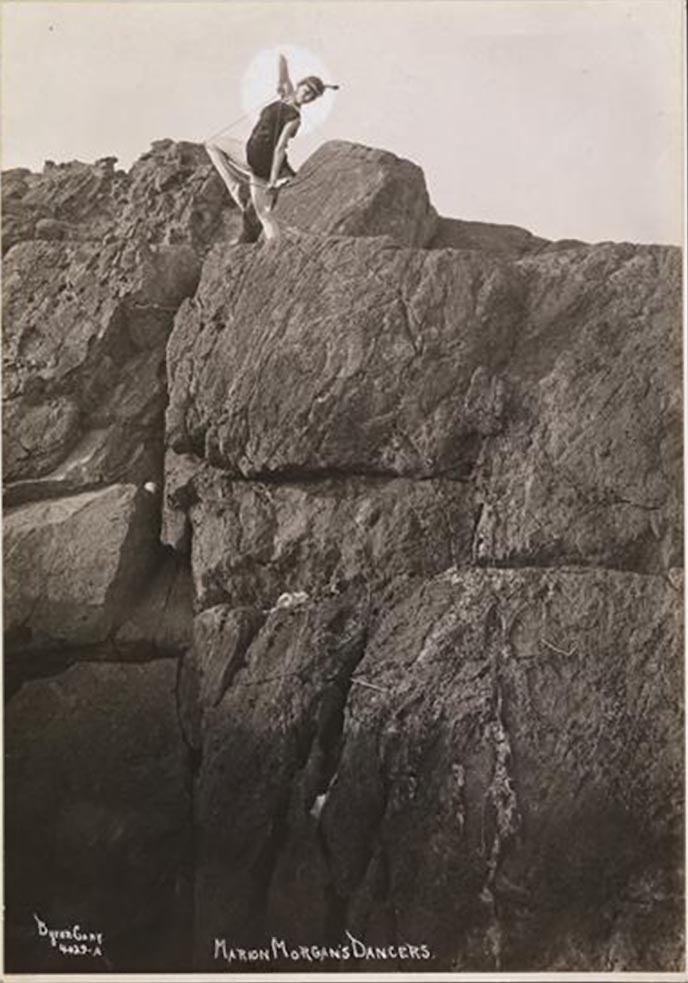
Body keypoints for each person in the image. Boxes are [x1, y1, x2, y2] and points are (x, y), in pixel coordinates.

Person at [205, 57, 336, 243]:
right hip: (256, 161)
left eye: (310, 97)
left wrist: (274, 179)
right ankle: (273, 245)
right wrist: (282, 60)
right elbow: (283, 75)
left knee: (212, 144)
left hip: (259, 159)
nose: (305, 98)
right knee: (265, 216)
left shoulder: (294, 118)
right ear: (299, 86)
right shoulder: (286, 95)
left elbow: (280, 147)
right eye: (306, 92)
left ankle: (234, 186)